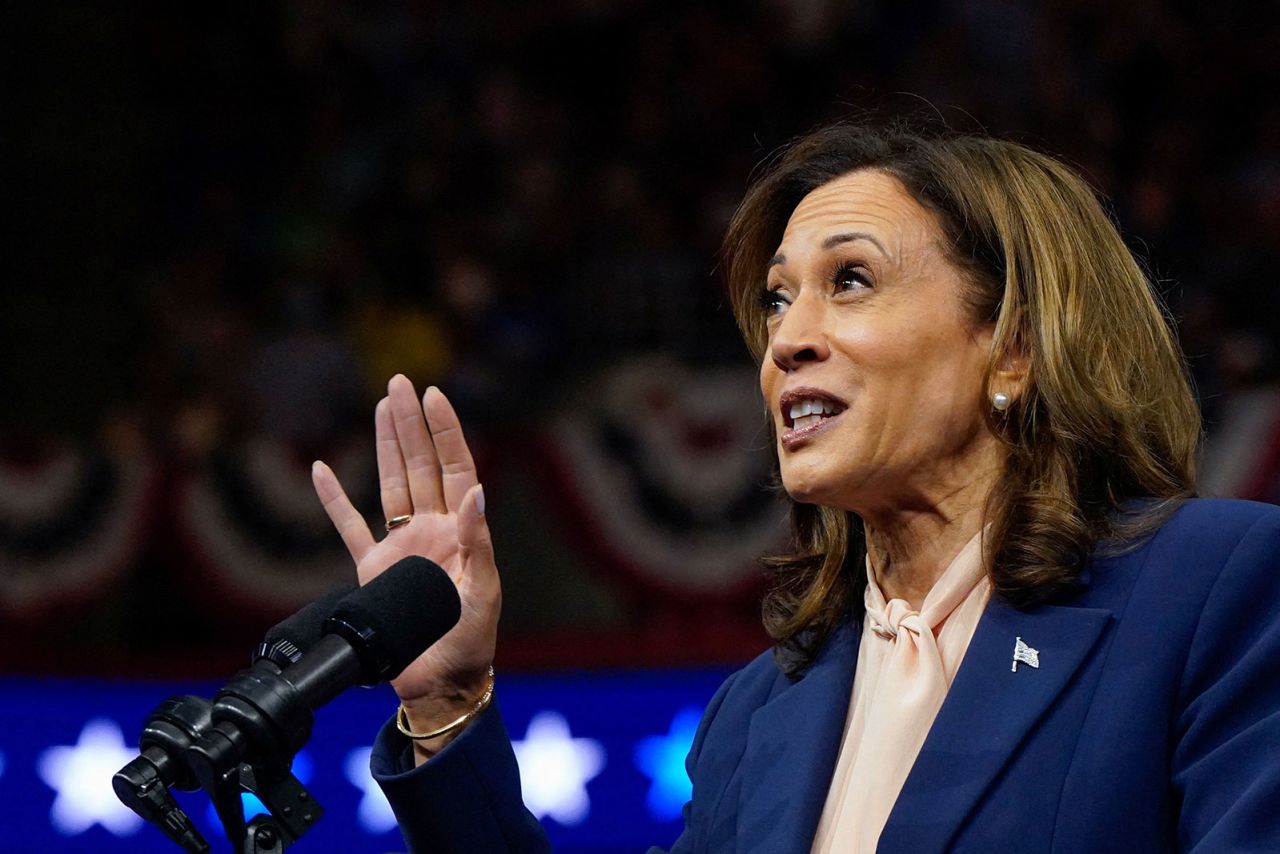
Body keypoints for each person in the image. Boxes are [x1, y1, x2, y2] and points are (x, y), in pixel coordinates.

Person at [310, 120, 1280, 852]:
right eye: (777, 297)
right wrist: (448, 705)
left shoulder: (1209, 588)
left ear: (1015, 345)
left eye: (848, 280)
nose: (785, 338)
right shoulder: (759, 713)